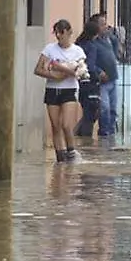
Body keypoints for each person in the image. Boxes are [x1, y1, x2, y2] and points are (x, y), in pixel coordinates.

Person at [34, 19, 87, 162]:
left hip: (69, 90)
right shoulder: (49, 49)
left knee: (66, 124)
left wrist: (65, 71)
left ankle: (71, 151)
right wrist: (53, 75)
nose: (59, 36)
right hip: (52, 89)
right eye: (56, 33)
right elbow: (38, 69)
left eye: (62, 33)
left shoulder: (77, 51)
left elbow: (81, 71)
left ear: (69, 33)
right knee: (55, 125)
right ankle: (60, 157)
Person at [73, 20, 105, 138]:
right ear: (95, 34)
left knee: (88, 111)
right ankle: (85, 140)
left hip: (79, 82)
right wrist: (99, 73)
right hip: (90, 82)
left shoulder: (78, 44)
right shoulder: (91, 46)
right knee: (92, 112)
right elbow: (90, 66)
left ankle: (79, 138)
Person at [92, 12, 123, 123]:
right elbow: (88, 62)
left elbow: (117, 54)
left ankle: (111, 135)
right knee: (104, 109)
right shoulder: (93, 43)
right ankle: (104, 134)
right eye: (103, 24)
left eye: (106, 24)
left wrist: (115, 40)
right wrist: (99, 71)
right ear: (96, 27)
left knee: (113, 109)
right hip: (102, 82)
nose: (106, 27)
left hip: (113, 79)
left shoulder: (109, 39)